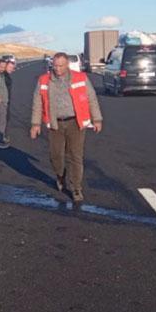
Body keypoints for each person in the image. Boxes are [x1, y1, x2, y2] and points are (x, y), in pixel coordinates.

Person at [30, 52, 103, 203]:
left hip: (75, 123)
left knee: (75, 156)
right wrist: (35, 124)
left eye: (60, 65)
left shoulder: (80, 78)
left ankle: (76, 188)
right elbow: (37, 103)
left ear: (67, 65)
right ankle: (60, 175)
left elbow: (91, 98)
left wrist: (97, 119)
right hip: (55, 123)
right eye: (55, 65)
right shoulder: (44, 80)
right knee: (56, 156)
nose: (57, 68)